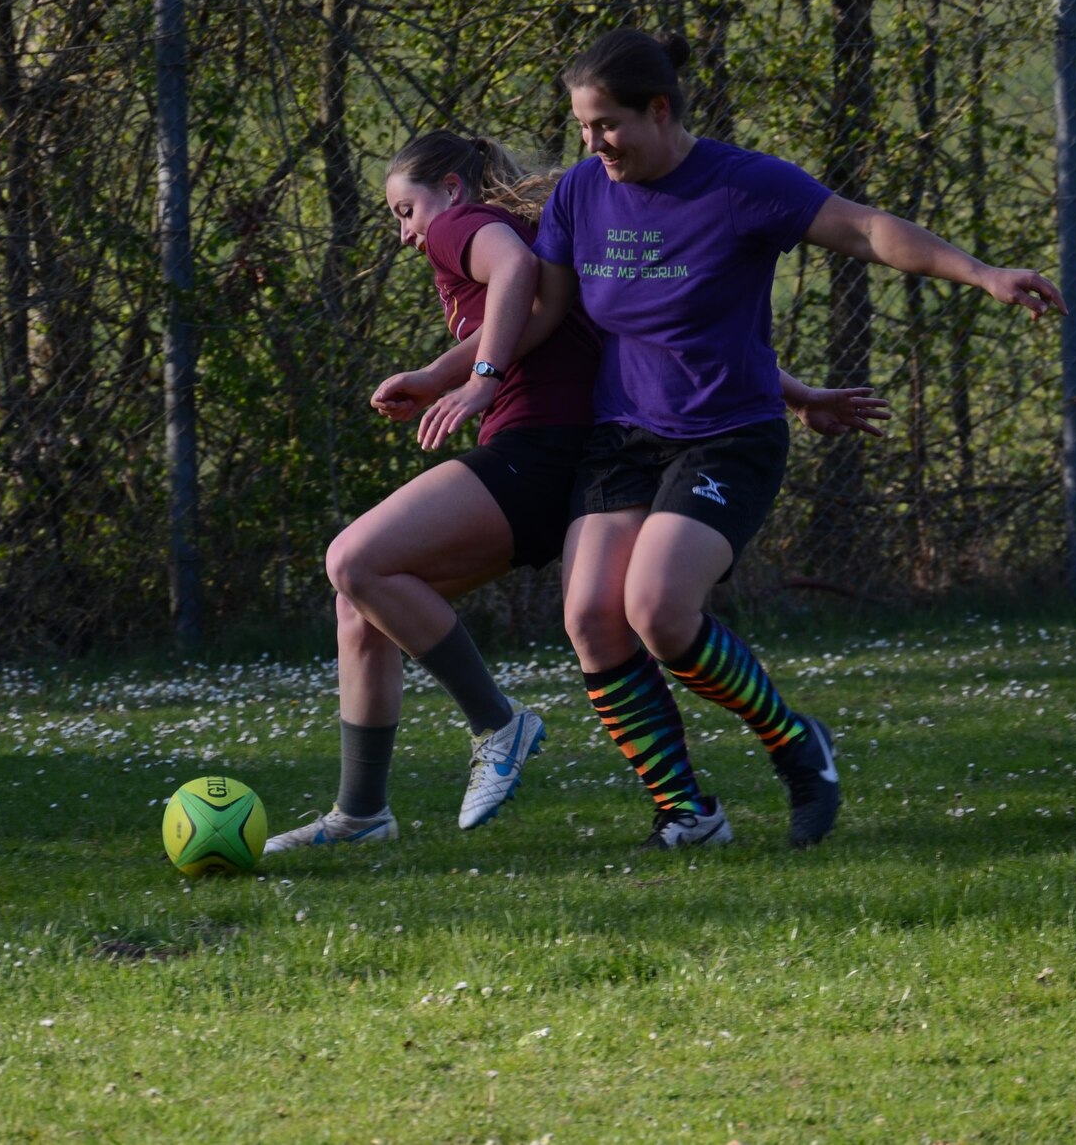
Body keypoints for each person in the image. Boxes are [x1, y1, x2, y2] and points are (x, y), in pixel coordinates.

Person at [266, 130, 888, 853]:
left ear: (452, 189)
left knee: (356, 560)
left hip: (542, 448)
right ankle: (363, 811)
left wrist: (478, 382)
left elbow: (510, 270)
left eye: (406, 210)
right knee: (365, 603)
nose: (406, 233)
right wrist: (799, 391)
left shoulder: (461, 228)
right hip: (587, 448)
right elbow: (643, 327)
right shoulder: (567, 239)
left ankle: (497, 722)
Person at [534, 27, 1064, 850]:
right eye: (581, 127)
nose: (593, 143)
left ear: (660, 109)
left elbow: (866, 230)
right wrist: (464, 374)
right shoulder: (579, 194)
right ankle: (688, 814)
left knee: (659, 611)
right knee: (592, 620)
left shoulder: (744, 184)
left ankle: (796, 744)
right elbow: (542, 314)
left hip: (726, 438)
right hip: (622, 438)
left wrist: (985, 274)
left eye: (606, 124)